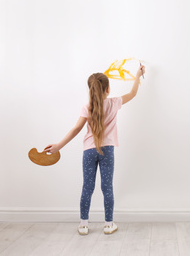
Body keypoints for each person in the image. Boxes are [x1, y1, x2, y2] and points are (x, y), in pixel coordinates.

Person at [44, 65, 145, 235]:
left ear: (90, 89)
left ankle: (83, 225)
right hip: (107, 151)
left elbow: (76, 129)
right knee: (107, 188)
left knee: (87, 187)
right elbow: (133, 93)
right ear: (108, 89)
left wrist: (58, 146)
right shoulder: (114, 103)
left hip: (89, 151)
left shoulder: (87, 107)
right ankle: (108, 224)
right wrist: (138, 75)